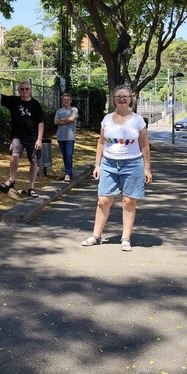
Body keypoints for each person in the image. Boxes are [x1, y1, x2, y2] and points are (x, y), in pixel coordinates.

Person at [81, 86, 151, 252]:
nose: (121, 99)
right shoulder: (107, 119)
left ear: (131, 99)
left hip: (132, 163)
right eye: (118, 96)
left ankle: (125, 238)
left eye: (125, 96)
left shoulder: (138, 120)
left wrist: (147, 168)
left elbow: (144, 145)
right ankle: (96, 236)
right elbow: (101, 142)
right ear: (113, 100)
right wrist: (97, 165)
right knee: (103, 200)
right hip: (109, 163)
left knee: (128, 201)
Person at [0, 78, 44, 197]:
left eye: (26, 89)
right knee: (14, 156)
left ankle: (31, 187)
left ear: (30, 90)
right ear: (18, 90)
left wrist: (39, 139)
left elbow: (40, 123)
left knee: (34, 162)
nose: (24, 91)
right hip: (18, 136)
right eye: (22, 89)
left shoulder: (35, 104)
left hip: (32, 138)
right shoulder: (14, 101)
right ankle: (11, 179)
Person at [54, 92, 79, 183]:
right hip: (60, 136)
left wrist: (62, 120)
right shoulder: (59, 111)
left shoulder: (74, 110)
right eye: (64, 99)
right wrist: (67, 120)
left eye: (68, 99)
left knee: (69, 155)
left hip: (70, 137)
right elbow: (56, 122)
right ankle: (69, 172)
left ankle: (67, 174)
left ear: (70, 101)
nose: (66, 101)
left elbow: (72, 119)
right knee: (65, 156)